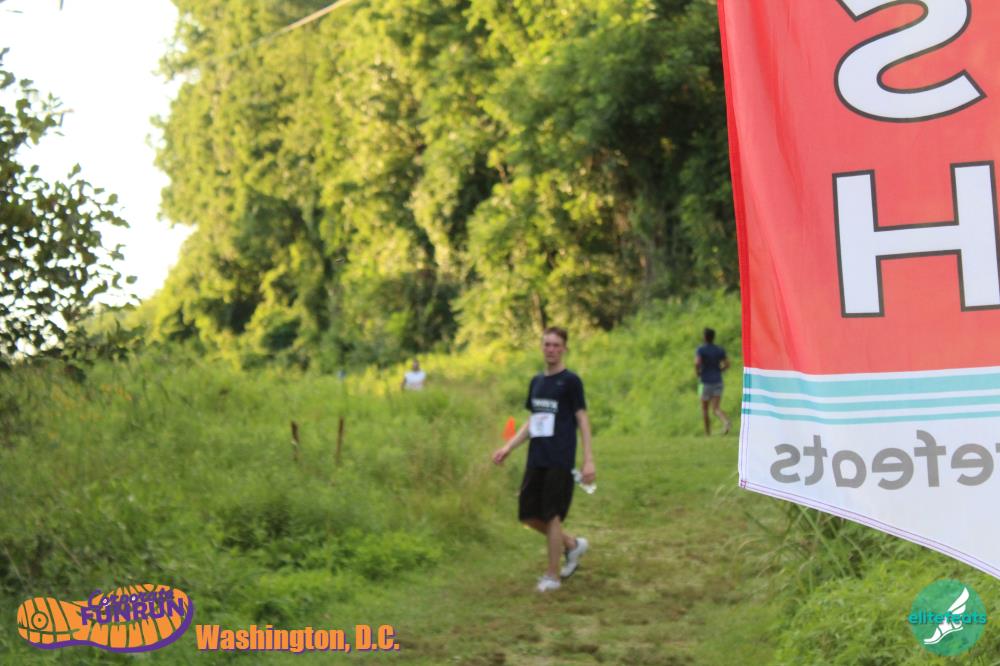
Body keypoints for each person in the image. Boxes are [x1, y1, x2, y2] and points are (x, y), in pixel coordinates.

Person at [492, 327, 595, 593]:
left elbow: (582, 419)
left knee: (551, 514)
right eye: (547, 344)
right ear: (542, 347)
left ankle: (552, 576)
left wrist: (588, 460)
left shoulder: (571, 381)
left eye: (556, 345)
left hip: (559, 458)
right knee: (528, 515)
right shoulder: (536, 382)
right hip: (536, 457)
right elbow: (532, 421)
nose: (551, 349)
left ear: (564, 349)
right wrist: (508, 447)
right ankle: (571, 545)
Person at [695, 327, 732, 435]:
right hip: (718, 381)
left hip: (704, 382)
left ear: (704, 337)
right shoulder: (719, 350)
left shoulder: (701, 349)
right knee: (716, 408)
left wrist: (698, 373)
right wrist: (720, 370)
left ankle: (707, 433)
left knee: (704, 409)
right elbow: (727, 364)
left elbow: (697, 363)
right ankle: (726, 421)